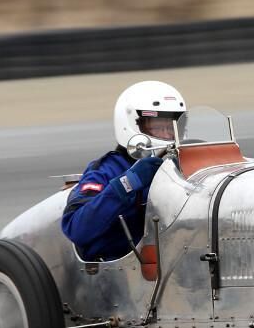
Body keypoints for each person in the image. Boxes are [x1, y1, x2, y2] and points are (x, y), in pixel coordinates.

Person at [61, 80, 186, 261]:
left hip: (174, 258)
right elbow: (77, 229)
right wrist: (128, 183)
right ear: (133, 125)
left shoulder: (182, 164)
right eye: (158, 127)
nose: (168, 135)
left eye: (171, 127)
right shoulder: (106, 170)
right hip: (121, 268)